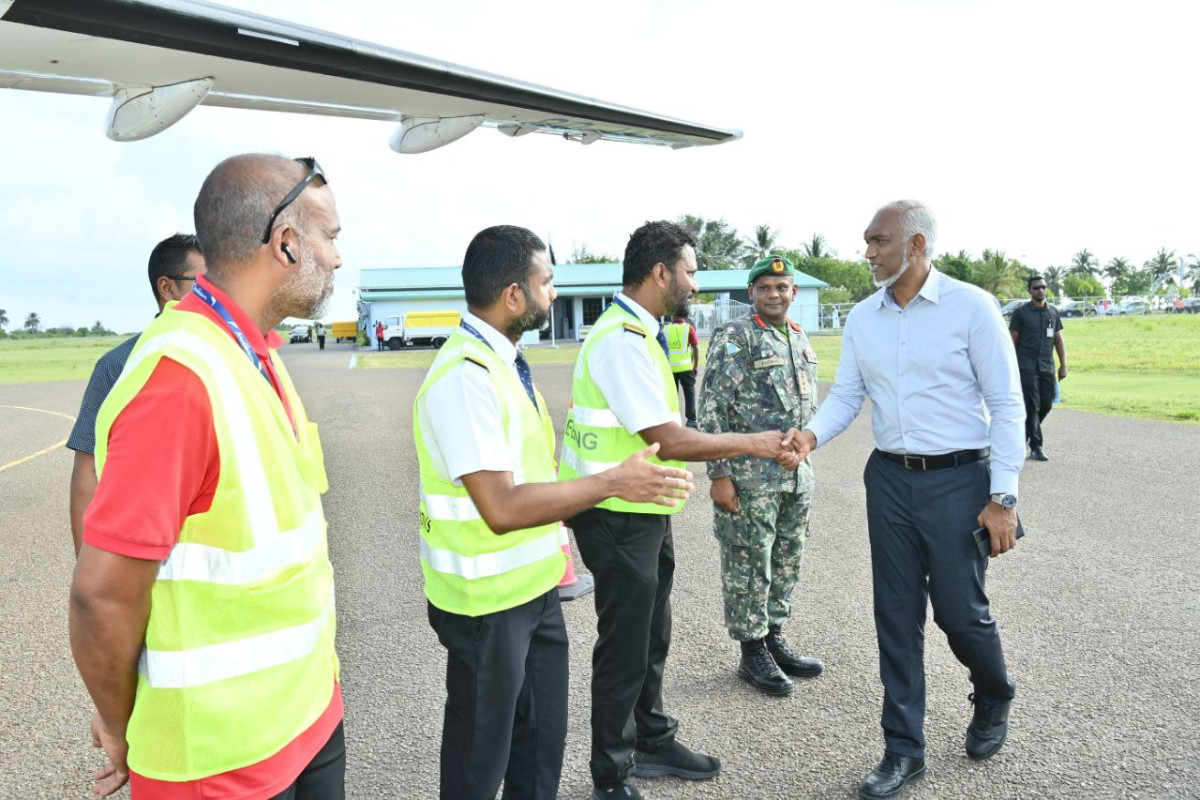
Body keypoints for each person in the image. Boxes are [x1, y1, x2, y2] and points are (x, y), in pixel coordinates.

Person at [69, 154, 345, 799]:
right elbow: (102, 595)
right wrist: (118, 722)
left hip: (307, 716)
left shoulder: (256, 353)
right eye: (330, 238)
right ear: (285, 243)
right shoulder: (179, 379)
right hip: (221, 762)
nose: (335, 258)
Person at [414, 225, 694, 800]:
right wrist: (614, 482)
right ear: (514, 294)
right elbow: (501, 507)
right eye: (547, 282)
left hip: (534, 590)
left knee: (539, 753)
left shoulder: (506, 366)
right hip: (486, 605)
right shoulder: (466, 377)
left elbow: (537, 477)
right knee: (479, 761)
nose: (556, 294)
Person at [559, 220, 804, 800]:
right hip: (614, 511)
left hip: (640, 507)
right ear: (661, 272)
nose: (695, 282)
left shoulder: (645, 332)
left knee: (652, 632)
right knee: (624, 645)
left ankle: (651, 737)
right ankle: (612, 775)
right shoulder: (620, 338)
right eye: (690, 271)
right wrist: (754, 441)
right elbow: (668, 438)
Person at [791, 201, 1025, 800]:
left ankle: (994, 690)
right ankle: (903, 749)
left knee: (957, 611)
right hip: (889, 480)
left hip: (959, 481)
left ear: (916, 245)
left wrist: (1003, 496)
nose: (867, 253)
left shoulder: (971, 307)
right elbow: (847, 394)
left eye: (878, 241)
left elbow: (1007, 406)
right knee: (895, 614)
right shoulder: (864, 318)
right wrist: (811, 434)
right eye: (867, 241)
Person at [697, 255, 823, 696]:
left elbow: (806, 405)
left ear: (793, 292)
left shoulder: (798, 337)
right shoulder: (737, 336)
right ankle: (752, 651)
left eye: (783, 287)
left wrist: (801, 449)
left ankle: (773, 637)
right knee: (749, 563)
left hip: (793, 475)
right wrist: (719, 474)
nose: (775, 294)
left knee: (786, 560)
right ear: (751, 293)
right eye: (766, 288)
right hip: (749, 478)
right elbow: (712, 405)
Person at [66, 234, 205, 555]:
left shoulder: (235, 358)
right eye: (202, 284)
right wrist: (86, 570)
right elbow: (87, 472)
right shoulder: (116, 367)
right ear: (167, 288)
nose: (215, 295)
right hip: (141, 555)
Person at [1009, 275, 1067, 461]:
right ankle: (1036, 447)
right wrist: (1009, 365)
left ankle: (1024, 434)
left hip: (1047, 367)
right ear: (1030, 291)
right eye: (1036, 288)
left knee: (1046, 404)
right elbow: (1012, 340)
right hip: (1026, 367)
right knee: (1032, 406)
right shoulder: (1021, 313)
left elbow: (1058, 339)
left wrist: (1063, 364)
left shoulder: (1053, 312)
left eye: (1043, 287)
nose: (1040, 290)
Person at [664, 313, 699, 427]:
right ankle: (691, 420)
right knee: (689, 393)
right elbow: (695, 348)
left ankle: (673, 419)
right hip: (686, 367)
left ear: (672, 317)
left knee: (672, 395)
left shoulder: (665, 329)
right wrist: (695, 366)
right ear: (684, 317)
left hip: (670, 368)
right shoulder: (689, 328)